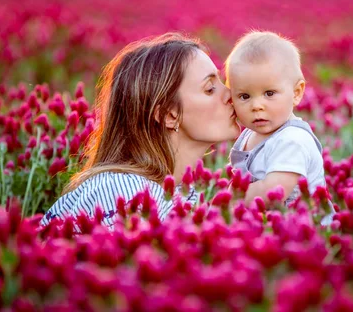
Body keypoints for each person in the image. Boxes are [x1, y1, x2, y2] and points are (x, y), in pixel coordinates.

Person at [40, 33, 240, 229]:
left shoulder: (184, 194)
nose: (230, 94)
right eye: (210, 89)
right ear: (168, 115)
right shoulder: (122, 193)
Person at [225, 31, 333, 221]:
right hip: (265, 224)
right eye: (244, 96)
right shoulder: (248, 135)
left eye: (269, 93)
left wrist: (229, 202)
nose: (256, 105)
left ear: (297, 92)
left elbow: (274, 191)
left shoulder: (292, 139)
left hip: (305, 229)